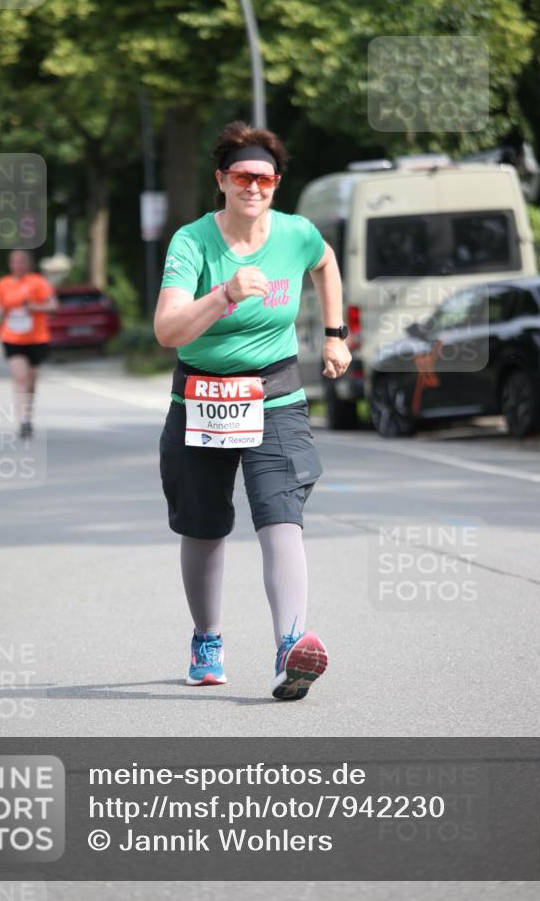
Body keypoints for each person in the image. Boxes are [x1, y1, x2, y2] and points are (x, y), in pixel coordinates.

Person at [154, 121, 352, 701]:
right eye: (242, 176)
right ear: (221, 180)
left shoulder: (296, 234)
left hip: (275, 397)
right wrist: (223, 295)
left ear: (276, 184)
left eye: (265, 178)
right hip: (201, 400)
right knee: (203, 525)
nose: (254, 187)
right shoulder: (192, 243)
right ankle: (207, 639)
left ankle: (291, 647)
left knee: (280, 512)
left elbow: (325, 263)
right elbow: (168, 330)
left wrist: (335, 334)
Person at [0, 250, 57, 438]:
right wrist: (6, 315)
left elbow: (54, 307)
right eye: (14, 262)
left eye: (21, 262)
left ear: (28, 264)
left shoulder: (38, 282)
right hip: (11, 338)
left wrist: (33, 307)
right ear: (10, 264)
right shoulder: (3, 284)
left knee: (31, 381)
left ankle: (28, 414)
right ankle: (23, 420)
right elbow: (1, 310)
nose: (18, 265)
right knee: (20, 378)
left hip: (36, 338)